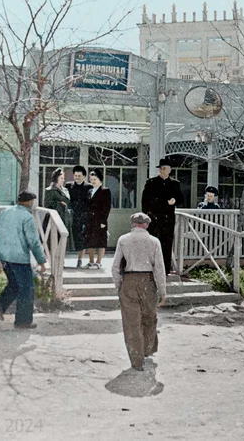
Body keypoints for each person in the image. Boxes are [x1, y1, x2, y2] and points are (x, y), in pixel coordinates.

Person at [111, 212, 167, 371]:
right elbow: (159, 269)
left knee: (131, 322)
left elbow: (115, 267)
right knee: (149, 317)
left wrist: (119, 286)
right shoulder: (154, 241)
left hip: (129, 280)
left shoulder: (123, 239)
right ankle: (147, 350)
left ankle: (136, 360)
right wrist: (163, 291)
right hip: (148, 282)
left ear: (132, 224)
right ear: (147, 225)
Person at [0, 190, 47, 329]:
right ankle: (23, 321)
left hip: (3, 254)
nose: (33, 204)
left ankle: (0, 304)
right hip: (18, 256)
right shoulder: (27, 217)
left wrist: (6, 237)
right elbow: (33, 241)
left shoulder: (7, 211)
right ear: (28, 201)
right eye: (32, 201)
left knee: (15, 283)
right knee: (27, 288)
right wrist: (41, 261)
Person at [141, 159, 185, 274]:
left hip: (168, 218)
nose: (161, 170)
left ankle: (165, 269)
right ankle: (150, 267)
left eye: (164, 168)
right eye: (160, 168)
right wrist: (146, 215)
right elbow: (145, 200)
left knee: (166, 243)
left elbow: (181, 198)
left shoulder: (175, 183)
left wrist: (174, 201)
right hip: (154, 218)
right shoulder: (151, 182)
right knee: (152, 242)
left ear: (169, 170)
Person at [65, 165, 92, 268]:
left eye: (79, 176)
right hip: (72, 215)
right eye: (75, 175)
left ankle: (80, 259)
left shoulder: (89, 187)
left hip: (84, 215)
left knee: (83, 238)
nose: (77, 178)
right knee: (72, 237)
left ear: (84, 176)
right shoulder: (68, 186)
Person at [85, 168, 111, 269]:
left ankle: (98, 262)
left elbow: (107, 207)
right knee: (90, 241)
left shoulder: (105, 191)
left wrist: (103, 221)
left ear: (100, 179)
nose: (92, 181)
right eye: (91, 179)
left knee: (101, 242)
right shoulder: (90, 191)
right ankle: (91, 261)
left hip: (100, 220)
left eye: (94, 179)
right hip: (90, 220)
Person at [43, 168, 74, 252]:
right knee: (54, 242)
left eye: (63, 178)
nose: (63, 180)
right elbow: (47, 204)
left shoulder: (65, 190)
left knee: (64, 242)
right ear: (56, 178)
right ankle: (54, 263)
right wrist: (60, 204)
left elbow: (68, 203)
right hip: (54, 219)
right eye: (61, 178)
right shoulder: (50, 190)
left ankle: (61, 262)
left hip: (65, 218)